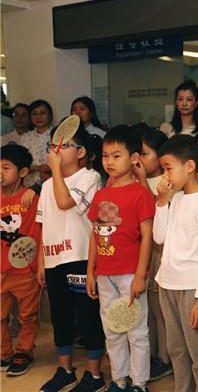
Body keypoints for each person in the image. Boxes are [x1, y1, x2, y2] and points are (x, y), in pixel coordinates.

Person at [36, 124, 106, 392]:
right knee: (60, 316)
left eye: (63, 145)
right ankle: (65, 369)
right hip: (54, 260)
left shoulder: (89, 178)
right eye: (53, 145)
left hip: (79, 258)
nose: (56, 150)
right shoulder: (45, 187)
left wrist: (54, 169)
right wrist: (42, 261)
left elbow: (66, 203)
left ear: (81, 152)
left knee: (87, 317)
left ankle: (94, 375)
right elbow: (43, 225)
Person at [86, 125, 155, 392]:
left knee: (136, 331)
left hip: (130, 274)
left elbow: (147, 237)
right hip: (104, 274)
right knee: (112, 330)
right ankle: (119, 379)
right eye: (105, 156)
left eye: (116, 156)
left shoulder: (139, 193)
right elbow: (95, 234)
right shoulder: (102, 194)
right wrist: (91, 271)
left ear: (133, 158)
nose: (109, 162)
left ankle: (139, 383)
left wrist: (140, 275)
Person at [153, 135, 198, 392]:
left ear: (189, 166)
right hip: (167, 282)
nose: (165, 175)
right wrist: (161, 201)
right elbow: (159, 236)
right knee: (177, 350)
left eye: (168, 168)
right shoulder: (176, 198)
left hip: (191, 288)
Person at [135, 127, 173, 382]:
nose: (139, 158)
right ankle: (151, 354)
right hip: (142, 252)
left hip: (161, 252)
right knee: (147, 308)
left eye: (144, 153)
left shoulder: (166, 183)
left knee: (161, 309)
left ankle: (165, 357)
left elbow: (155, 212)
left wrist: (140, 181)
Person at [0, 145, 42, 376]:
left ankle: (24, 351)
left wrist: (35, 189)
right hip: (0, 270)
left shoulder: (31, 198)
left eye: (6, 168)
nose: (1, 172)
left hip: (26, 270)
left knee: (28, 315)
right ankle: (4, 352)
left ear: (23, 172)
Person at [20, 99, 54, 186]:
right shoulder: (25, 138)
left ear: (49, 115)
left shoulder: (57, 136)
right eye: (35, 114)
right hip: (29, 185)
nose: (39, 117)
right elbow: (20, 164)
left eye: (42, 113)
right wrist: (38, 168)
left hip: (52, 184)